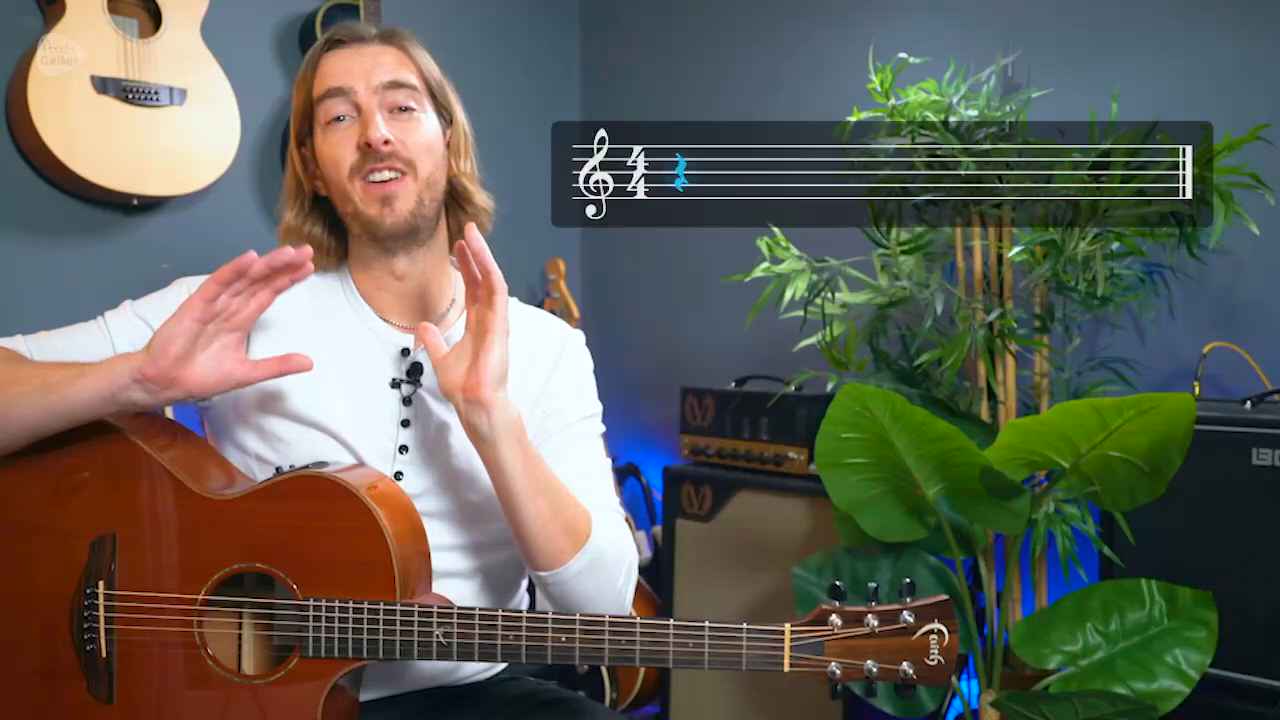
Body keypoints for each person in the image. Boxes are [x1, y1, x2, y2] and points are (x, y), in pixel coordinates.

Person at [0, 22, 637, 720]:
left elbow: (603, 612)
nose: (375, 134)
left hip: (474, 696)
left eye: (401, 106)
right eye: (339, 116)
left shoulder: (547, 347)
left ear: (448, 141)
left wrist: (493, 420)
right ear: (310, 166)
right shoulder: (234, 311)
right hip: (249, 700)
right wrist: (136, 380)